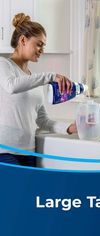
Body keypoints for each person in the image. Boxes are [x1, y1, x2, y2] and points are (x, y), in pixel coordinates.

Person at [0, 13, 77, 167]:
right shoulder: (4, 65)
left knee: (29, 192)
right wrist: (50, 76)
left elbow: (43, 121)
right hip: (5, 152)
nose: (42, 49)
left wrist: (69, 128)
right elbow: (12, 86)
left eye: (43, 45)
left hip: (29, 152)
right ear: (23, 40)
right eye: (39, 44)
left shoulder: (33, 80)